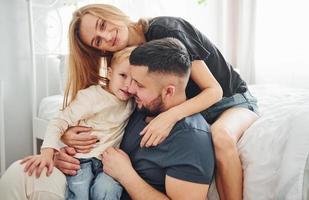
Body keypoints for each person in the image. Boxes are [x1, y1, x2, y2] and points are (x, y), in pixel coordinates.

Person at [66, 4, 259, 199]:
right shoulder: (127, 58)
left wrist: (168, 117)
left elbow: (214, 91)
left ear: (113, 14)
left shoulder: (166, 31)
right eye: (98, 41)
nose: (107, 37)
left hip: (229, 100)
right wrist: (67, 135)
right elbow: (104, 106)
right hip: (192, 106)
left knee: (221, 135)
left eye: (103, 25)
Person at [0, 37, 215, 200]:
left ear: (168, 92)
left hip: (114, 188)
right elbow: (98, 124)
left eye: (139, 85)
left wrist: (126, 175)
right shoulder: (139, 106)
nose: (131, 89)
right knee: (18, 175)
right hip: (88, 176)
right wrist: (63, 146)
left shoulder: (191, 139)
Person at [20, 47, 135, 200]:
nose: (128, 84)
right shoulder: (91, 97)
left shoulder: (133, 101)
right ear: (109, 73)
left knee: (108, 189)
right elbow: (59, 121)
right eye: (123, 75)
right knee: (79, 192)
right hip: (81, 160)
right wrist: (47, 152)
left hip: (108, 163)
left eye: (134, 80)